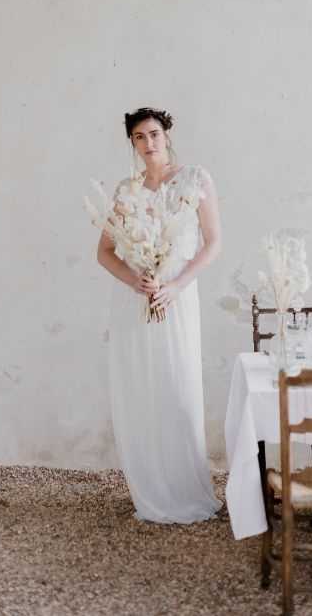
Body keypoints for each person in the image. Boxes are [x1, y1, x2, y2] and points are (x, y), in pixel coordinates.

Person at [96, 106, 222, 523]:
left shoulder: (195, 180)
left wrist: (174, 286)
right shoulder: (126, 190)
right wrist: (137, 283)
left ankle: (185, 487)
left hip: (177, 298)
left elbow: (212, 244)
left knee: (177, 386)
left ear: (166, 135)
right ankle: (150, 490)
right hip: (137, 301)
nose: (149, 143)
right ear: (132, 143)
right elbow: (105, 252)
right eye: (139, 137)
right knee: (142, 390)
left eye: (154, 134)